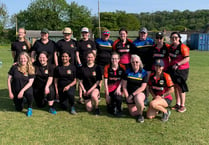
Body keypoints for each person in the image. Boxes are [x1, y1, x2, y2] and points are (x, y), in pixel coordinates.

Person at [7, 52, 35, 117]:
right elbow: (9, 80)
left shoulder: (30, 68)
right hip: (16, 89)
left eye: (24, 58)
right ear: (19, 59)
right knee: (18, 109)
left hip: (26, 89)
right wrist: (10, 92)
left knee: (29, 93)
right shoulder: (14, 67)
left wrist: (22, 91)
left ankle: (29, 107)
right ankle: (23, 100)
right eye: (21, 58)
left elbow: (30, 82)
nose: (23, 60)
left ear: (27, 59)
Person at [168, 32, 190, 113]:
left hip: (182, 70)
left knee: (181, 87)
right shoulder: (170, 47)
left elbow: (187, 59)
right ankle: (177, 103)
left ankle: (182, 105)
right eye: (172, 37)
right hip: (173, 69)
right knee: (176, 86)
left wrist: (178, 64)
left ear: (179, 38)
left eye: (176, 37)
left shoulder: (183, 47)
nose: (174, 39)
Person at [122, 55, 148, 123]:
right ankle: (141, 106)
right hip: (130, 94)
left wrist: (133, 95)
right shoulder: (127, 71)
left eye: (136, 62)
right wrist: (127, 97)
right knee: (133, 114)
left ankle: (140, 115)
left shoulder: (144, 72)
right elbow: (124, 86)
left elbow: (143, 87)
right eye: (133, 62)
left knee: (138, 98)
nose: (135, 63)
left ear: (139, 62)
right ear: (131, 63)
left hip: (139, 93)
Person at [133, 27, 154, 105]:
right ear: (139, 33)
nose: (143, 34)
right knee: (140, 81)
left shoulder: (151, 41)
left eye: (144, 33)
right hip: (139, 66)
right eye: (141, 33)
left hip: (148, 65)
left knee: (147, 82)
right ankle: (140, 96)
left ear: (147, 34)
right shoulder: (135, 42)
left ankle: (146, 97)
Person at [76, 27, 97, 104]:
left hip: (90, 64)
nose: (84, 34)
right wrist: (80, 63)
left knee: (92, 78)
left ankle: (94, 94)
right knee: (80, 80)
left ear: (88, 34)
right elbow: (77, 54)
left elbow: (94, 53)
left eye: (86, 33)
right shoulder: (79, 42)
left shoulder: (92, 43)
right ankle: (80, 97)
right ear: (82, 33)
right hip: (82, 64)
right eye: (83, 33)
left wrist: (93, 62)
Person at [79, 51, 102, 115]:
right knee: (89, 109)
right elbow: (80, 81)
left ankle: (97, 108)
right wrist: (84, 90)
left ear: (94, 58)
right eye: (88, 57)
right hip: (86, 89)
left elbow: (98, 81)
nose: (90, 59)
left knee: (93, 95)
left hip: (94, 88)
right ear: (86, 58)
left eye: (91, 57)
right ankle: (90, 100)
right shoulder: (82, 68)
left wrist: (90, 90)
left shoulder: (97, 67)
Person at [104, 52, 126, 116]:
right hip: (110, 89)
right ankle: (113, 105)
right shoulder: (107, 67)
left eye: (116, 59)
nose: (114, 60)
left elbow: (123, 79)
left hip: (118, 90)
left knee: (118, 98)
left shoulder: (122, 67)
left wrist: (119, 88)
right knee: (110, 110)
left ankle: (119, 109)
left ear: (119, 59)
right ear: (110, 59)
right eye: (113, 59)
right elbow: (105, 81)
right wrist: (107, 94)